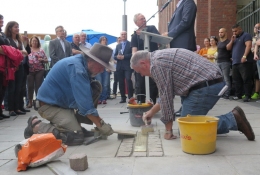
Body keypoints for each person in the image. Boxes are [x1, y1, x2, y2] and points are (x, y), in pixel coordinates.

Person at [130, 49, 255, 141]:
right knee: (187, 120)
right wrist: (151, 112)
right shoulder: (159, 56)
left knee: (186, 129)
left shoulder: (156, 65)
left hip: (205, 86)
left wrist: (168, 130)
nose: (141, 75)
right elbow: (165, 94)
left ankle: (233, 119)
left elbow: (167, 98)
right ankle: (230, 119)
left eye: (139, 71)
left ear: (143, 63)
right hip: (204, 83)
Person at [24, 43, 115, 146]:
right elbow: (85, 105)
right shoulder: (78, 70)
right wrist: (101, 124)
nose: (102, 70)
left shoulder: (82, 63)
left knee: (95, 87)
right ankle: (35, 125)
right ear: (91, 61)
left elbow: (82, 97)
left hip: (61, 104)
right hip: (48, 106)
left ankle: (73, 125)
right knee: (75, 137)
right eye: (102, 66)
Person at [131, 13, 159, 104]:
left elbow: (159, 39)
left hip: (152, 60)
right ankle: (141, 103)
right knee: (140, 83)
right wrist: (134, 61)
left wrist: (144, 33)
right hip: (141, 62)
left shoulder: (152, 28)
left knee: (152, 84)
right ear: (136, 23)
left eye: (144, 18)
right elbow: (134, 50)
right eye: (141, 19)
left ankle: (152, 103)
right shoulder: (135, 35)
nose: (144, 20)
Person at [5, 21, 28, 116]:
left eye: (18, 27)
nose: (17, 29)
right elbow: (9, 52)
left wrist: (17, 52)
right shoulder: (7, 39)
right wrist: (19, 52)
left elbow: (25, 53)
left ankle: (17, 108)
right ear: (10, 28)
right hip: (11, 67)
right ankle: (11, 109)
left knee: (19, 88)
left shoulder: (19, 41)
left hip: (20, 66)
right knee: (11, 88)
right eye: (15, 27)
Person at [227, 24, 254, 102]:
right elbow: (228, 48)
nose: (234, 33)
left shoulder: (246, 35)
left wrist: (244, 56)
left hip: (244, 62)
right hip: (235, 62)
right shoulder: (234, 38)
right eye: (233, 31)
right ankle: (238, 95)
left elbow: (248, 45)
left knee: (246, 79)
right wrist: (232, 40)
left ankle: (248, 95)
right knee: (236, 79)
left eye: (236, 31)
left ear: (240, 29)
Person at [27, 36, 48, 108]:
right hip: (29, 70)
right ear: (31, 42)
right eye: (33, 41)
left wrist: (42, 59)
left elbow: (46, 60)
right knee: (30, 86)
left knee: (38, 86)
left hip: (39, 70)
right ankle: (30, 102)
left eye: (36, 41)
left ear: (38, 42)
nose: (34, 42)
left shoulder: (41, 50)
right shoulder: (28, 49)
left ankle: (38, 101)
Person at [114, 31, 133, 103]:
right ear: (120, 36)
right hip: (119, 66)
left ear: (126, 35)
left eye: (125, 34)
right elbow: (114, 56)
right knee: (121, 82)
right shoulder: (118, 46)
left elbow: (132, 54)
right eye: (122, 34)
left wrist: (124, 57)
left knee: (128, 80)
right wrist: (117, 57)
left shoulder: (130, 44)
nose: (123, 35)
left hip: (127, 66)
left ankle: (130, 96)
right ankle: (123, 97)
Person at [217, 28, 232, 99]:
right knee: (221, 78)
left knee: (226, 78)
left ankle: (227, 94)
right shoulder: (219, 42)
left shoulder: (228, 41)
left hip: (225, 62)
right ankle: (222, 93)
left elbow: (229, 50)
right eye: (219, 32)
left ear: (225, 33)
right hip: (218, 61)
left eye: (222, 32)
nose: (220, 33)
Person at [95, 36, 110, 104]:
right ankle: (99, 98)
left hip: (105, 67)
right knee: (99, 83)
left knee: (105, 84)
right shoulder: (97, 48)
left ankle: (104, 98)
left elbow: (111, 59)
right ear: (100, 41)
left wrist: (110, 67)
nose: (104, 41)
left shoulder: (109, 49)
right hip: (98, 67)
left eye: (105, 40)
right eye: (103, 40)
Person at [251, 23, 260, 100]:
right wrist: (255, 54)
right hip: (257, 58)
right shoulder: (254, 37)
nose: (256, 29)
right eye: (255, 27)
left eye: (258, 27)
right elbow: (255, 45)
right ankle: (256, 92)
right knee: (257, 76)